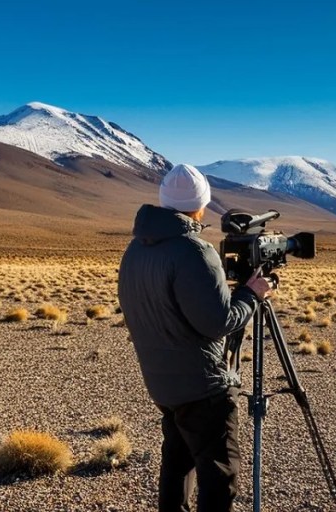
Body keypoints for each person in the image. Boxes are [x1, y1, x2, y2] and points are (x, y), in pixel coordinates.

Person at [118, 163, 272, 512]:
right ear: (201, 205)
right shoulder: (194, 251)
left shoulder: (136, 249)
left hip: (163, 383)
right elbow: (219, 322)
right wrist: (251, 294)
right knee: (219, 476)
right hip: (202, 388)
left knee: (177, 464)